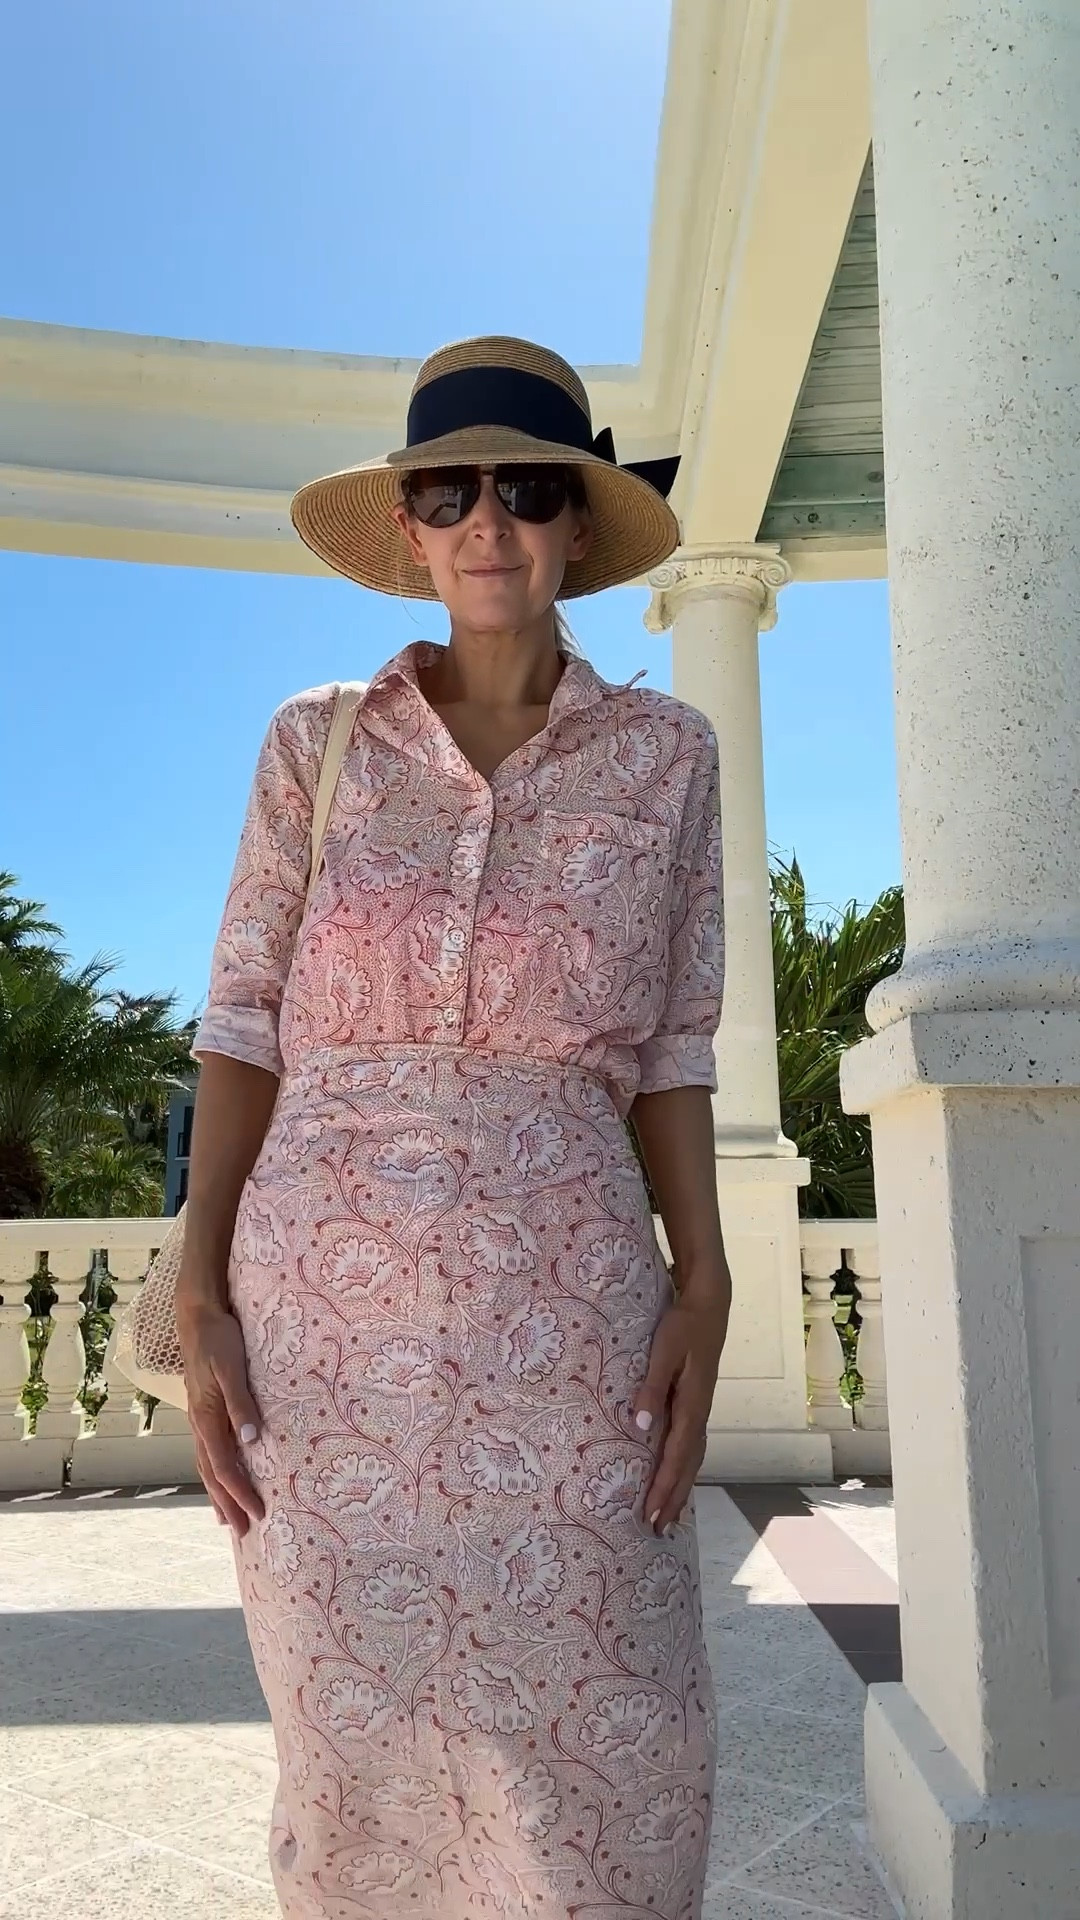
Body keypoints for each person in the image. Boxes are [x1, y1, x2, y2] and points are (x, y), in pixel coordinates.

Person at [178, 334, 732, 1920]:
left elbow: (672, 1044)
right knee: (354, 1741)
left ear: (576, 527)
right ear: (412, 527)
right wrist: (202, 1292)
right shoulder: (316, 741)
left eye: (530, 486)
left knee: (612, 1733)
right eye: (448, 488)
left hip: (568, 1317)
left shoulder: (666, 757)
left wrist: (702, 1276)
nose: (488, 519)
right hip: (319, 1334)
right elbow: (239, 1024)